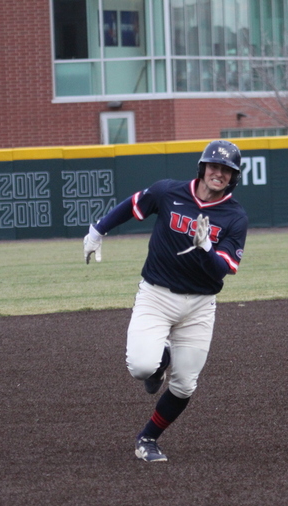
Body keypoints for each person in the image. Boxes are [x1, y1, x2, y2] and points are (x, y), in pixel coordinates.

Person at [83, 140, 248, 462]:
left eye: (227, 170)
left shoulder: (234, 216)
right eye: (214, 166)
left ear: (233, 177)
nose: (219, 173)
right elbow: (132, 205)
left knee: (185, 385)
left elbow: (226, 269)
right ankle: (161, 361)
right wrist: (97, 231)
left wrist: (207, 249)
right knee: (142, 368)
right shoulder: (168, 192)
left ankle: (147, 438)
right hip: (157, 296)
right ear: (202, 167)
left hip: (200, 306)